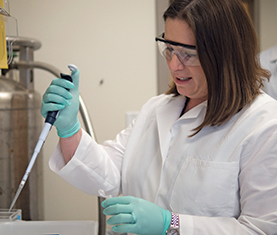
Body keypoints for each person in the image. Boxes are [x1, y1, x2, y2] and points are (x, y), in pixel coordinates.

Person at [41, 0, 277, 234]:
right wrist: (70, 130)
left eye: (188, 54)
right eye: (169, 48)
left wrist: (171, 224)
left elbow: (261, 229)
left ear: (226, 55)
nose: (174, 65)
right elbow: (108, 175)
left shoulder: (264, 125)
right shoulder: (157, 109)